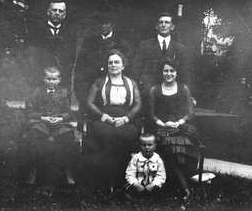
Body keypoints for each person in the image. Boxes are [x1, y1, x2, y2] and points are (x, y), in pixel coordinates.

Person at [86, 49, 141, 187]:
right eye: (110, 62)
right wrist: (104, 117)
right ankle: (105, 180)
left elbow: (138, 104)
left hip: (124, 120)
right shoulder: (99, 82)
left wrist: (126, 118)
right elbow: (89, 102)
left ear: (123, 65)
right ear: (106, 65)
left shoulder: (131, 83)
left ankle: (121, 180)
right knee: (106, 135)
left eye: (117, 62)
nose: (113, 65)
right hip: (104, 119)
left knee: (126, 135)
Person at [148, 60, 202, 199]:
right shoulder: (154, 90)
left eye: (172, 71)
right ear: (161, 73)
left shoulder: (184, 89)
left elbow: (190, 112)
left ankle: (182, 183)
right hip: (161, 126)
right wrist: (162, 123)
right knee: (168, 145)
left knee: (186, 145)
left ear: (177, 73)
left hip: (182, 125)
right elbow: (152, 113)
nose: (169, 74)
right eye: (166, 71)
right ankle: (183, 187)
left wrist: (178, 122)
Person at [74, 15, 134, 132]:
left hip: (114, 92)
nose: (103, 26)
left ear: (113, 24)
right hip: (91, 89)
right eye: (100, 23)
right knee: (91, 128)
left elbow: (129, 69)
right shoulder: (89, 43)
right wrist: (81, 94)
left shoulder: (123, 44)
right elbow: (79, 70)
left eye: (107, 23)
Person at [24, 66, 77, 185]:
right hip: (41, 122)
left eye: (54, 79)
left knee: (68, 135)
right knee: (34, 135)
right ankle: (35, 169)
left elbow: (69, 112)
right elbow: (29, 111)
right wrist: (42, 118)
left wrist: (61, 118)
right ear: (44, 79)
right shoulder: (36, 92)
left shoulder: (64, 93)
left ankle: (67, 169)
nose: (51, 82)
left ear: (59, 80)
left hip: (59, 123)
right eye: (48, 79)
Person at [132, 12, 191, 97]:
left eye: (167, 22)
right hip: (148, 92)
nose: (163, 25)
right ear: (157, 26)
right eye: (161, 22)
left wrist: (187, 94)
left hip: (172, 93)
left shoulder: (180, 48)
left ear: (172, 27)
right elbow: (136, 71)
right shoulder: (145, 45)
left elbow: (185, 74)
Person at [24, 0, 77, 89]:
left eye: (60, 11)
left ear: (64, 15)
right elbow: (30, 58)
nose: (57, 13)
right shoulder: (35, 32)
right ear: (48, 12)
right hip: (39, 80)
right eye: (54, 10)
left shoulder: (70, 35)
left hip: (61, 81)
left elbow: (70, 60)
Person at [123, 133, 166, 201]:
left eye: (150, 145)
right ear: (139, 146)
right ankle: (129, 197)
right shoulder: (136, 158)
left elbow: (161, 176)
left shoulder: (158, 160)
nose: (147, 147)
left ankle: (149, 198)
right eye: (144, 145)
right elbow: (130, 173)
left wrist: (153, 184)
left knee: (157, 190)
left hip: (151, 186)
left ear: (155, 146)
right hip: (138, 186)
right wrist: (136, 184)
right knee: (131, 189)